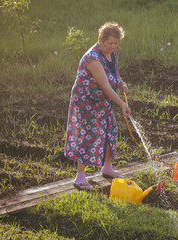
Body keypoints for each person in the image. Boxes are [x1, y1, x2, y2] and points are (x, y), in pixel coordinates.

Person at [64, 22, 130, 191]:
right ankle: (80, 178)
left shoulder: (111, 53)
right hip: (87, 102)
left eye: (116, 43)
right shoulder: (93, 58)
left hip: (102, 102)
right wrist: (122, 103)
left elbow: (113, 72)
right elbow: (106, 87)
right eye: (109, 43)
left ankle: (107, 168)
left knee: (110, 130)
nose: (113, 47)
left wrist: (121, 82)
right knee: (88, 135)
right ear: (100, 40)